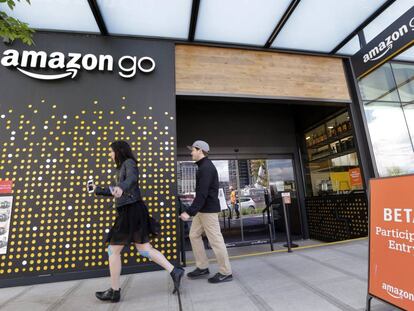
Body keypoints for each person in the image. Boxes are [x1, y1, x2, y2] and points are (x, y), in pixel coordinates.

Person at [92, 140, 184, 302]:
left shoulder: (129, 163)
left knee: (113, 251)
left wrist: (122, 187)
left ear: (119, 151)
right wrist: (98, 190)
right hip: (132, 210)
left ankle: (114, 291)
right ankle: (174, 270)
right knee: (144, 249)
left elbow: (131, 180)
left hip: (131, 210)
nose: (110, 154)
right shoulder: (120, 168)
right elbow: (118, 191)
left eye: (111, 151)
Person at [180, 140, 233, 283]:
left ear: (200, 151)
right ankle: (202, 266)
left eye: (193, 150)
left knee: (216, 241)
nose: (191, 152)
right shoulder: (202, 167)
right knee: (193, 235)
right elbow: (201, 194)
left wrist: (189, 212)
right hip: (203, 210)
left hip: (208, 210)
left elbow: (202, 193)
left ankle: (226, 272)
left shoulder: (206, 168)